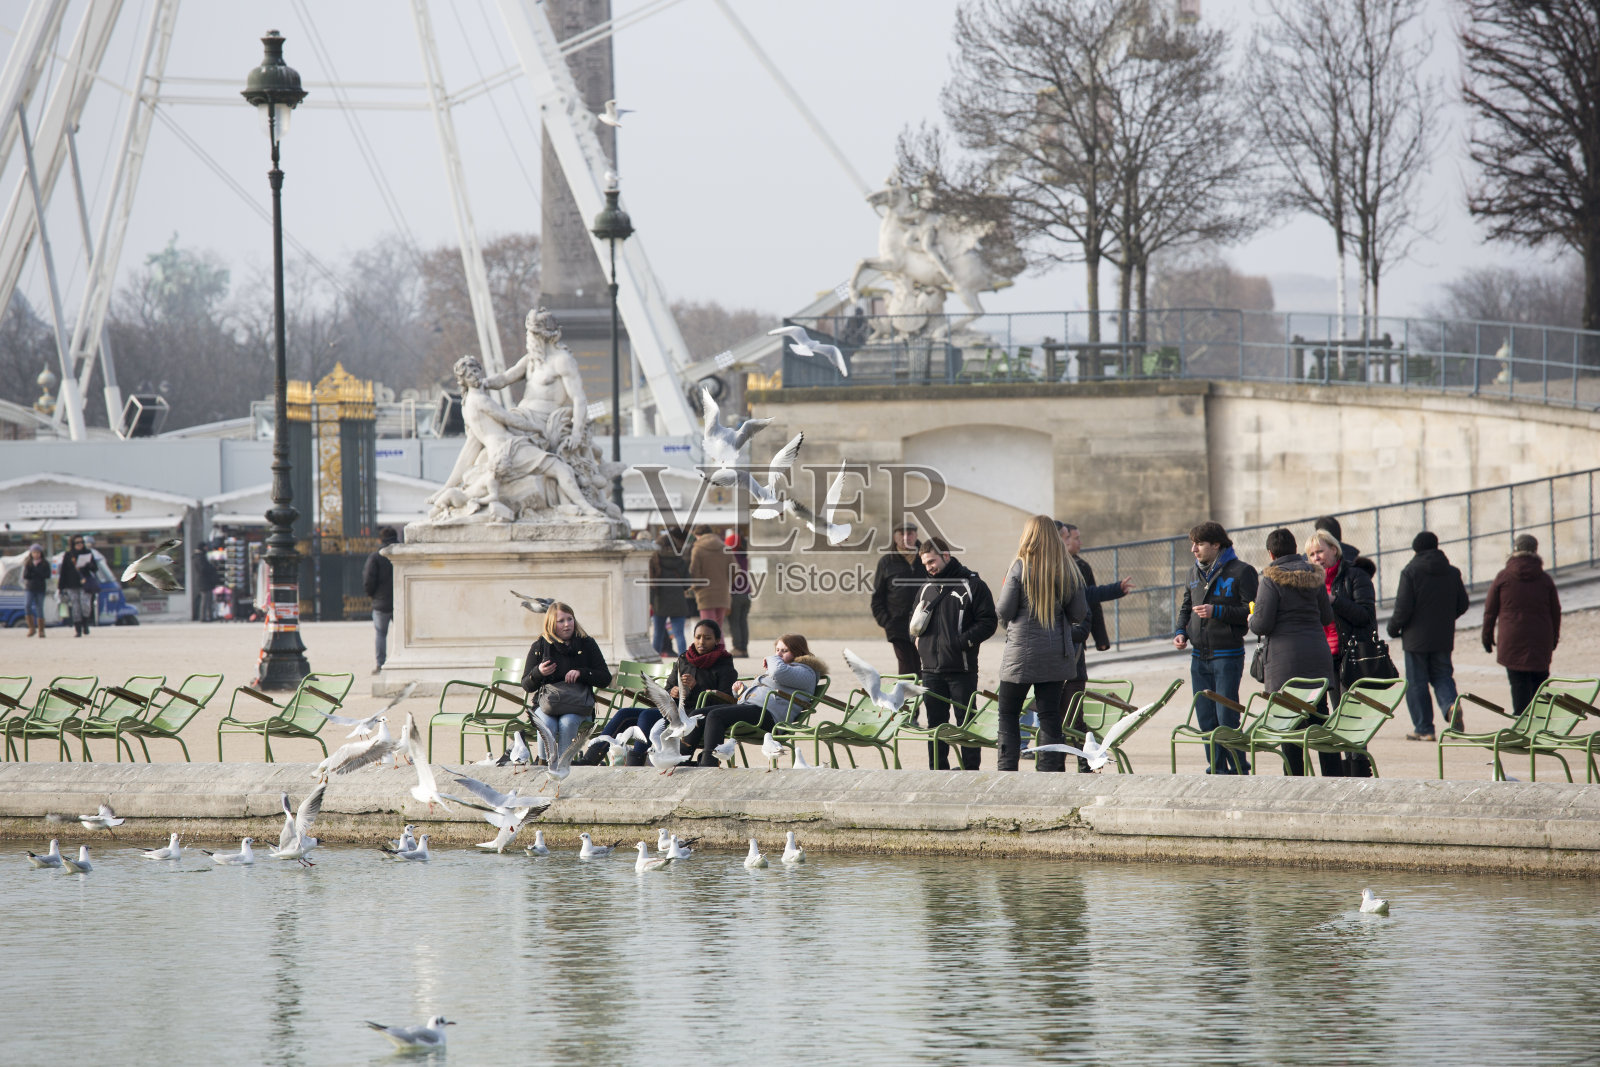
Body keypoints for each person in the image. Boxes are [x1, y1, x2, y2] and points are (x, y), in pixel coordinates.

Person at [994, 515, 1089, 772]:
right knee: (1049, 716)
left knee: (1008, 714)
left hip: (1020, 655)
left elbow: (1003, 611)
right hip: (1056, 654)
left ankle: (1007, 771)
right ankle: (1050, 770)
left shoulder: (1019, 567)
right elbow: (1079, 614)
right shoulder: (1068, 569)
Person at [1249, 528, 1337, 775]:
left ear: (1270, 553)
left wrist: (1251, 619)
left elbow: (1262, 624)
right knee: (1319, 719)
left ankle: (1295, 780)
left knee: (1289, 724)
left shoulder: (1270, 579)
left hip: (1285, 662)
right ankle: (1333, 777)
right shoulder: (1315, 574)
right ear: (1295, 547)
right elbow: (1327, 616)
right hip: (1317, 656)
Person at [1173, 521, 1258, 774]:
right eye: (1193, 544)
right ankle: (1217, 770)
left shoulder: (1243, 572)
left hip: (1227, 655)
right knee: (1206, 718)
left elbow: (1252, 611)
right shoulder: (1193, 573)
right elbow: (1186, 608)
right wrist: (1180, 632)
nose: (1193, 549)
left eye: (1198, 544)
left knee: (1226, 717)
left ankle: (1240, 769)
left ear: (1216, 544)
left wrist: (1217, 611)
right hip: (1199, 657)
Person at [598, 619, 738, 766]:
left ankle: (636, 760)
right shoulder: (685, 659)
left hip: (692, 718)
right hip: (673, 711)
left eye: (707, 638)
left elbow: (724, 702)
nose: (701, 642)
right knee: (624, 713)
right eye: (698, 637)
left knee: (646, 715)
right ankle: (591, 757)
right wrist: (673, 691)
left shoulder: (724, 665)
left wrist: (696, 687)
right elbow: (668, 686)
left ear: (717, 640)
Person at [909, 536, 997, 770]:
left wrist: (961, 642)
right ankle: (937, 771)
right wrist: (916, 641)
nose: (928, 567)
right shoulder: (925, 588)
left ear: (946, 556)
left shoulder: (973, 585)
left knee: (966, 721)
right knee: (935, 725)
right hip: (930, 671)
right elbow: (913, 623)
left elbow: (988, 622)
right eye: (925, 563)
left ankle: (970, 771)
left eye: (931, 561)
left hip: (962, 668)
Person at [1060, 521, 1135, 769]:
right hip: (1046, 654)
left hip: (1071, 651)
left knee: (1073, 712)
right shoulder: (1040, 568)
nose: (1078, 542)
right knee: (1053, 716)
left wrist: (1100, 639)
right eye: (1074, 537)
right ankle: (1055, 764)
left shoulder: (1079, 567)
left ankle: (1084, 762)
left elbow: (1090, 600)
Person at [693, 634, 827, 766]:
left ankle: (708, 762)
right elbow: (766, 691)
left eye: (784, 651)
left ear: (798, 652)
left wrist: (772, 658)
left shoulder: (805, 672)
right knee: (697, 715)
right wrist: (742, 692)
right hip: (754, 709)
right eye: (777, 650)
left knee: (715, 716)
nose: (779, 654)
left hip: (769, 718)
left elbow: (777, 673)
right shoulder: (784, 668)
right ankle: (682, 758)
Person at [1304, 529, 1376, 776]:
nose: (1317, 558)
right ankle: (1346, 769)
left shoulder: (1355, 576)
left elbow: (1366, 616)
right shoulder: (1312, 582)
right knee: (1336, 716)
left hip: (1351, 656)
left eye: (1320, 551)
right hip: (1324, 658)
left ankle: (1359, 769)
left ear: (1334, 550)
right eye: (1312, 554)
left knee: (1351, 717)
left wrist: (1334, 600)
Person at [1387, 531, 1470, 741]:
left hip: (1415, 639)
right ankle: (1451, 705)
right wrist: (1446, 618)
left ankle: (1424, 728)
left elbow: (1403, 608)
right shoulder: (1452, 572)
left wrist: (1393, 628)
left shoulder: (1410, 572)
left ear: (1416, 549)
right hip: (1443, 636)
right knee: (1442, 676)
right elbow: (1463, 604)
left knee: (1417, 682)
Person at [520, 602, 612, 765]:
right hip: (547, 704)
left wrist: (582, 673)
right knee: (546, 723)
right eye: (561, 621)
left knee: (567, 722)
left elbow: (605, 678)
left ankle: (564, 764)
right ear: (551, 624)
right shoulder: (540, 646)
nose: (567, 624)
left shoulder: (587, 644)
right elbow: (527, 685)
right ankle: (544, 762)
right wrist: (538, 672)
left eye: (570, 619)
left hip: (578, 704)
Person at [1482, 533, 1562, 719]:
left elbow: (1490, 610)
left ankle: (1521, 720)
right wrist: (1554, 638)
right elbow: (1555, 611)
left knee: (1518, 682)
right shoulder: (1545, 579)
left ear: (1515, 549)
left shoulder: (1503, 577)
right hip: (1540, 639)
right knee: (1540, 682)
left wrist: (1487, 636)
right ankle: (1540, 724)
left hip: (1512, 639)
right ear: (1535, 550)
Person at [871, 522, 927, 677]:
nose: (905, 538)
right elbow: (877, 597)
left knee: (926, 667)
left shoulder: (926, 559)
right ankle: (907, 701)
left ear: (916, 535)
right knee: (906, 668)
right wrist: (887, 622)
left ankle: (928, 700)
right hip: (898, 626)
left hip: (925, 624)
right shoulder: (886, 562)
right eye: (901, 534)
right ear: (895, 537)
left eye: (909, 534)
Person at [648, 528, 695, 659]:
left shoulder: (654, 559)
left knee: (658, 633)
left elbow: (651, 583)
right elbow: (687, 582)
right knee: (679, 634)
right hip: (678, 600)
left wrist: (651, 601)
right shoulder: (679, 559)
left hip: (659, 599)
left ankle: (653, 661)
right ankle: (684, 662)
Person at [363, 526, 399, 673]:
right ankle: (401, 661)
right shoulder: (401, 554)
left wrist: (372, 595)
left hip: (381, 602)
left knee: (381, 634)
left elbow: (368, 580)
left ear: (380, 539)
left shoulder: (376, 556)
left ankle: (381, 664)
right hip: (400, 602)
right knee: (402, 635)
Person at [687, 524, 732, 625]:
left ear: (698, 535)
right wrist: (726, 583)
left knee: (708, 629)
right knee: (718, 629)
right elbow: (735, 570)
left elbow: (694, 572)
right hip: (723, 594)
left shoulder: (697, 549)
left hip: (705, 595)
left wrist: (694, 588)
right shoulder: (725, 548)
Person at [56, 535, 97, 637]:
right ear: (73, 544)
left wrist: (89, 565)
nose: (80, 545)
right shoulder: (68, 555)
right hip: (71, 584)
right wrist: (61, 587)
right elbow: (63, 572)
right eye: (77, 543)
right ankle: (78, 629)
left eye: (81, 542)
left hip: (85, 583)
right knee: (75, 607)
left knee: (85, 605)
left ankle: (85, 623)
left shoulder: (88, 553)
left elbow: (95, 568)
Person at [725, 530, 752, 658]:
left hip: (735, 593)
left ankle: (737, 648)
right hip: (746, 593)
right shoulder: (744, 556)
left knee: (734, 622)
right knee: (743, 622)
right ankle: (744, 648)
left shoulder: (732, 557)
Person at [22, 543, 50, 638]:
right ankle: (31, 628)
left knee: (39, 608)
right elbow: (26, 575)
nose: (36, 554)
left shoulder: (45, 563)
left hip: (40, 588)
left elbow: (47, 575)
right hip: (30, 587)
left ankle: (41, 630)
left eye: (38, 552)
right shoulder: (28, 563)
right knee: (27, 605)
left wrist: (35, 573)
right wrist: (36, 573)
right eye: (34, 552)